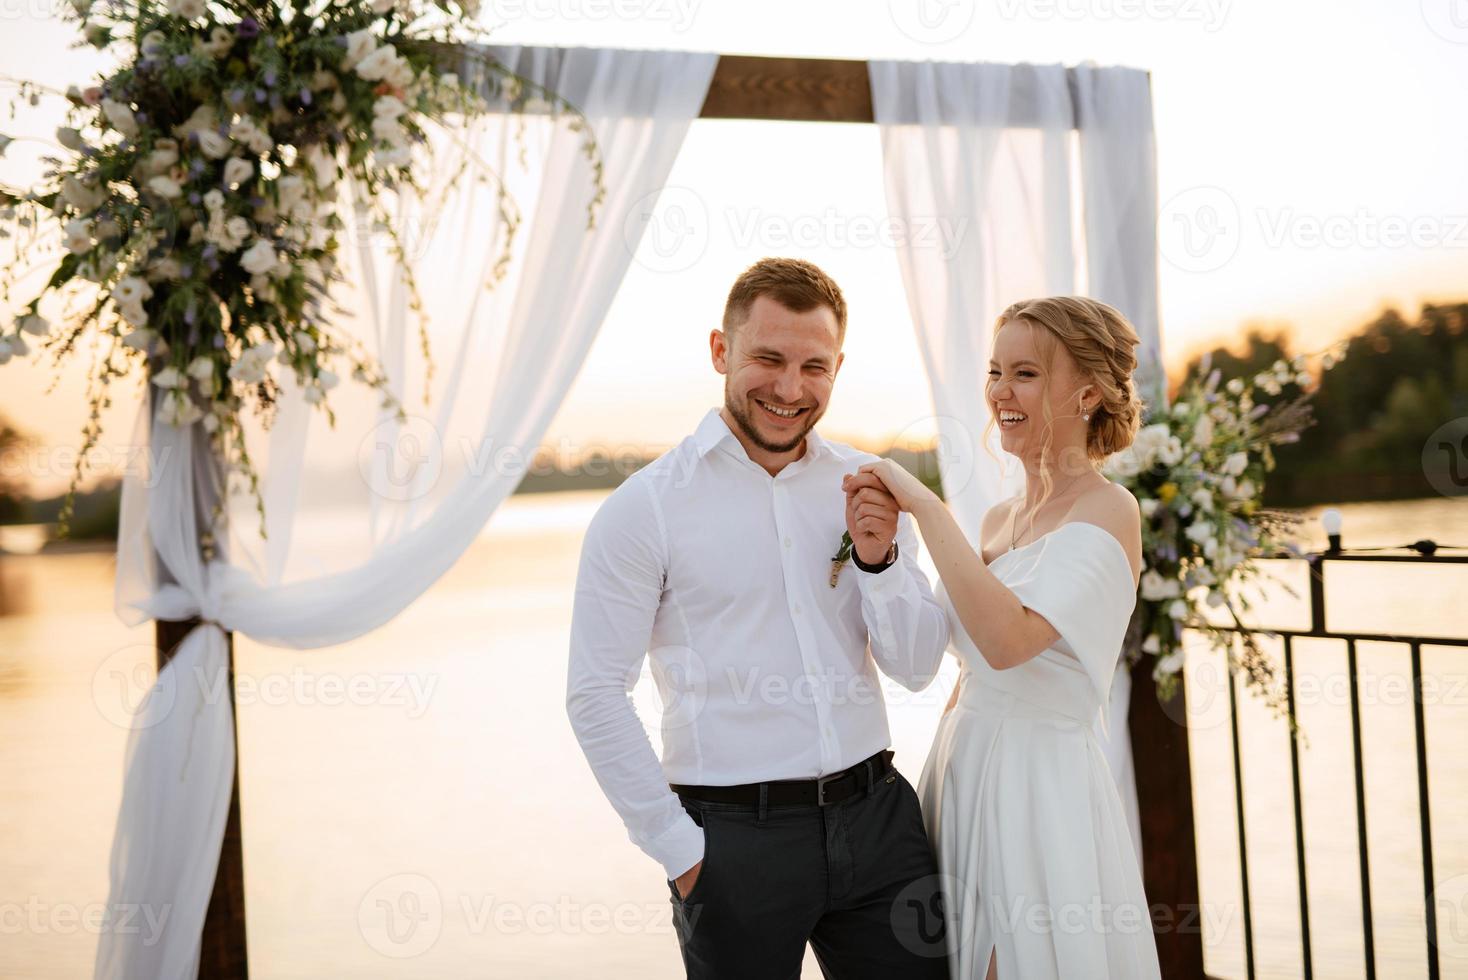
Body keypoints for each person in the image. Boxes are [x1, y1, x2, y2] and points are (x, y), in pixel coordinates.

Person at [567, 257, 952, 978]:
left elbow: (917, 665)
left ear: (838, 368)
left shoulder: (866, 488)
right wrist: (683, 856)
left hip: (880, 826)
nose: (789, 388)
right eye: (768, 358)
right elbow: (594, 694)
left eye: (815, 367)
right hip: (732, 846)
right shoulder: (644, 509)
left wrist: (880, 563)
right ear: (721, 350)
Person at [848, 296, 1163, 979]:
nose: (1000, 392)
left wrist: (926, 505)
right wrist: (879, 559)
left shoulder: (1110, 510)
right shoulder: (994, 520)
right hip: (961, 769)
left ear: (1087, 394)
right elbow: (941, 659)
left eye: (1025, 373)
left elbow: (1009, 642)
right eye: (995, 371)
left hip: (1038, 788)